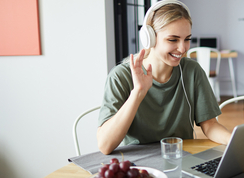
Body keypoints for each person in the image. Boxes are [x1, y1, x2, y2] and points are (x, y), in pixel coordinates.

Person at [97, 0, 231, 155]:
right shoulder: (121, 76)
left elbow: (210, 125)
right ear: (150, 39)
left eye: (187, 39)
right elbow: (105, 145)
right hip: (138, 165)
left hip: (180, 158)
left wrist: (234, 140)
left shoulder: (192, 71)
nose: (182, 48)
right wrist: (138, 92)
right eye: (173, 39)